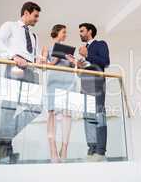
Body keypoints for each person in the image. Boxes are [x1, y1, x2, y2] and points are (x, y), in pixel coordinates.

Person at [0, 1, 41, 164]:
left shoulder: (34, 36)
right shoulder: (10, 25)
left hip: (31, 71)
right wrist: (13, 56)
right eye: (35, 16)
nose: (37, 19)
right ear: (26, 13)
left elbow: (34, 56)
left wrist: (41, 59)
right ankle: (5, 150)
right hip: (14, 68)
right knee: (9, 109)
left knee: (36, 107)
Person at [66, 23, 110, 162]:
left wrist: (87, 54)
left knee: (98, 115)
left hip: (97, 85)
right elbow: (83, 72)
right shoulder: (84, 50)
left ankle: (100, 151)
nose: (80, 33)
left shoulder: (100, 44)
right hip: (85, 85)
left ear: (90, 31)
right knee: (87, 117)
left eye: (82, 31)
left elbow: (105, 62)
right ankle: (92, 149)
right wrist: (77, 65)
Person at [40, 24, 76, 163]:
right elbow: (43, 67)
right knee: (52, 116)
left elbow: (74, 68)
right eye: (63, 32)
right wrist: (53, 61)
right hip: (54, 84)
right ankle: (53, 150)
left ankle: (65, 149)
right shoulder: (46, 48)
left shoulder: (68, 51)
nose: (65, 35)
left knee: (67, 115)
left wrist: (73, 62)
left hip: (68, 83)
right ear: (56, 33)